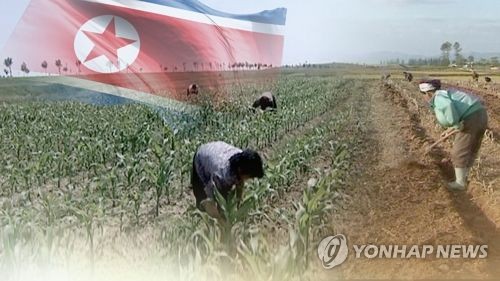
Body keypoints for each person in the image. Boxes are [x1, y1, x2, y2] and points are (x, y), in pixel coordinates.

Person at [419, 79, 488, 191]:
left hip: (471, 117)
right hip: (480, 114)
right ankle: (465, 176)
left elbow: (448, 107)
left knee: (459, 151)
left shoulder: (438, 97)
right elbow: (456, 112)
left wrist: (455, 125)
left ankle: (460, 183)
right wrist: (451, 129)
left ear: (427, 93)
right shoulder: (444, 93)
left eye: (422, 95)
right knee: (471, 148)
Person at [190, 141, 264, 219]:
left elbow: (240, 182)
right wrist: (221, 220)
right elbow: (210, 199)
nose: (250, 179)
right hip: (202, 158)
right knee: (203, 200)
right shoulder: (221, 175)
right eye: (250, 176)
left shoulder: (242, 159)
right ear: (241, 171)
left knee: (225, 197)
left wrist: (239, 205)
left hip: (217, 152)